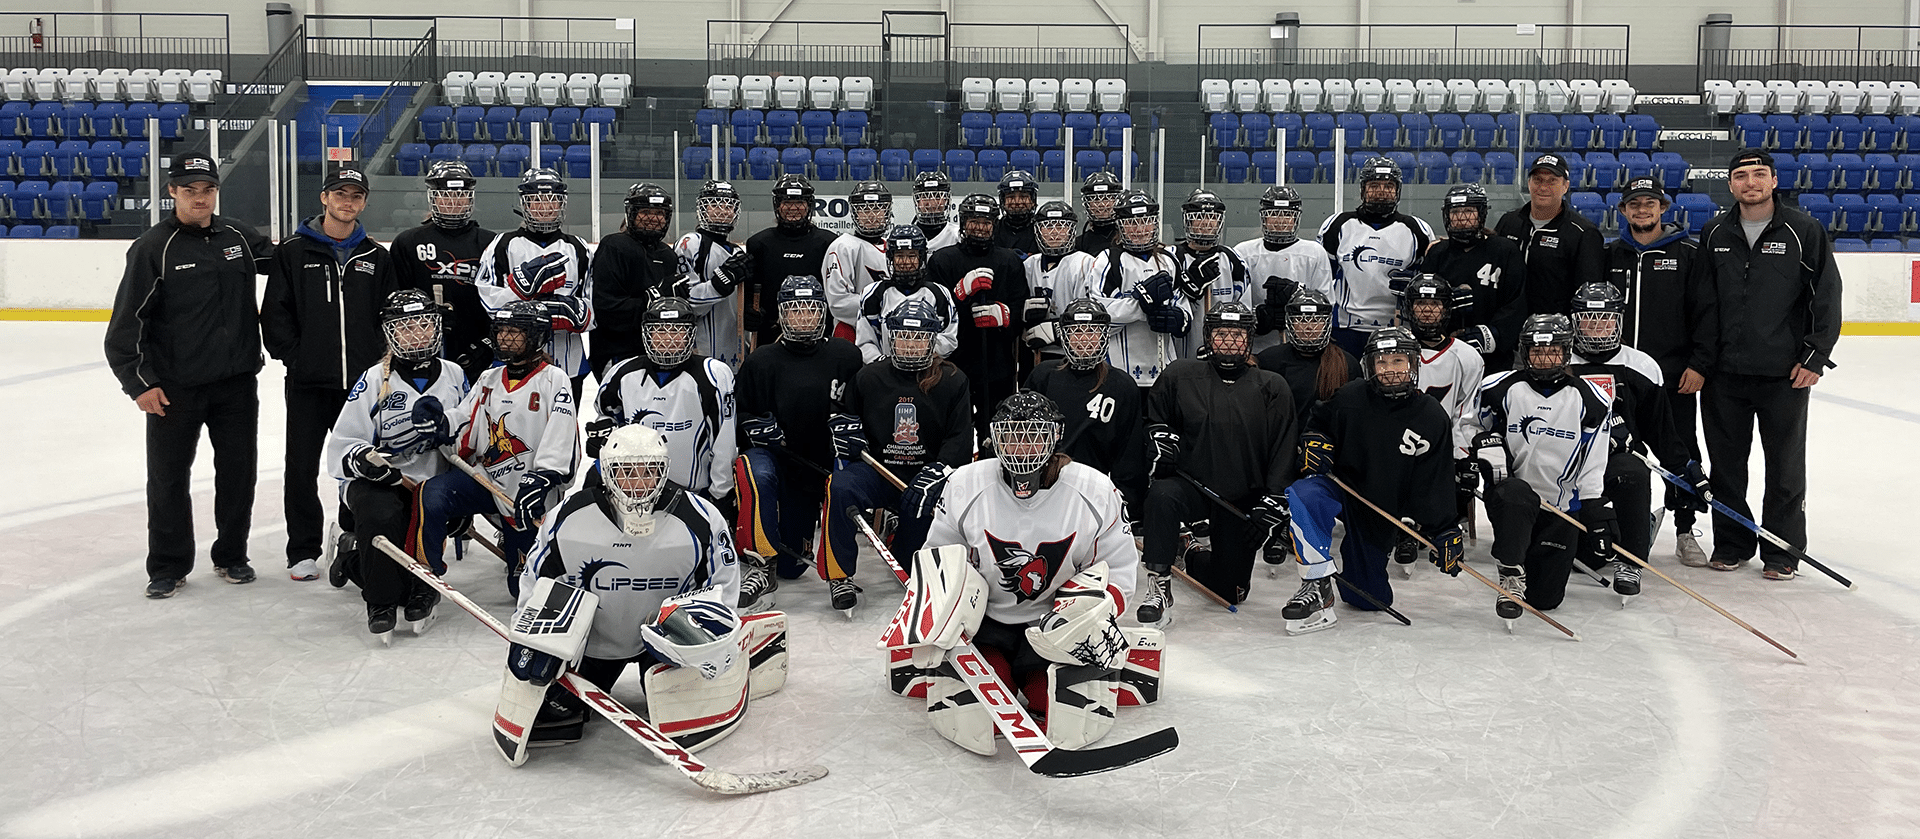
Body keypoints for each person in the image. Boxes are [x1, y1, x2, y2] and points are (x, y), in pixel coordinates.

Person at [905, 391, 1142, 754]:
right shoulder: (964, 484)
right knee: (978, 715)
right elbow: (939, 558)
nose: (1022, 448)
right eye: (1011, 436)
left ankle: (1038, 675)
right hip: (985, 625)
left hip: (1054, 630)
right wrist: (940, 615)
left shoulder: (1095, 489)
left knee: (1059, 712)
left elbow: (1119, 569)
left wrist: (1091, 617)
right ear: (994, 437)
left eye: (1034, 436)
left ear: (1055, 436)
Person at [509, 424, 756, 750]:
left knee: (677, 712)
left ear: (664, 472)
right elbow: (536, 580)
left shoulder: (702, 518)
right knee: (556, 709)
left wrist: (706, 642)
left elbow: (723, 586)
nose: (638, 484)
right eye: (626, 472)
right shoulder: (568, 517)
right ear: (607, 473)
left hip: (668, 645)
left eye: (649, 472)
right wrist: (532, 636)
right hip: (594, 643)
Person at [105, 153, 274, 599]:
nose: (200, 198)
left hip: (237, 383)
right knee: (168, 478)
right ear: (172, 192)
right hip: (174, 389)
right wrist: (139, 384)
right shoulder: (152, 248)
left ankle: (232, 555)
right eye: (190, 190)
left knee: (238, 473)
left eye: (208, 189)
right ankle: (167, 565)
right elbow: (126, 325)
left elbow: (286, 261)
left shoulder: (238, 235)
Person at [1691, 149, 1842, 580]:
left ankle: (1782, 551)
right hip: (1724, 375)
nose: (1750, 182)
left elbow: (1826, 296)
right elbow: (1703, 303)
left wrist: (1814, 357)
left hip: (1784, 374)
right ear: (1731, 185)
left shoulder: (1803, 230)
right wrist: (1702, 361)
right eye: (1741, 175)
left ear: (1774, 181)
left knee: (1785, 469)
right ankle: (1732, 543)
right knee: (1726, 467)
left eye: (1759, 174)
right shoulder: (1715, 232)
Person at [262, 167, 397, 582]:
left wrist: (378, 363)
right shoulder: (293, 251)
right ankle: (302, 549)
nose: (348, 202)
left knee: (359, 464)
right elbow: (275, 313)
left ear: (364, 202)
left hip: (362, 385)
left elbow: (387, 317)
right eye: (340, 194)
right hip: (308, 382)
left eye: (356, 195)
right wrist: (297, 358)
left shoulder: (376, 257)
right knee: (301, 466)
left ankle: (351, 535)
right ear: (324, 198)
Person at [1282, 327, 1460, 634]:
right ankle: (1315, 584)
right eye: (1382, 362)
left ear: (1413, 364)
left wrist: (1443, 529)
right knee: (1305, 494)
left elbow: (1436, 479)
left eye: (1397, 361)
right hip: (1339, 487)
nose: (1390, 369)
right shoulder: (1349, 396)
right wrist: (1314, 441)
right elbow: (1318, 425)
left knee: (1367, 598)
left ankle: (1357, 579)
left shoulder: (1432, 417)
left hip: (1380, 507)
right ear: (1370, 366)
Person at [325, 290, 468, 638]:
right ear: (391, 334)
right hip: (382, 483)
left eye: (423, 325)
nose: (416, 334)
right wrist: (364, 460)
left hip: (431, 484)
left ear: (436, 328)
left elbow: (471, 432)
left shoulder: (454, 375)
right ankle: (380, 602)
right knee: (381, 515)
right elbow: (344, 442)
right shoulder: (374, 379)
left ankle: (420, 585)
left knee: (429, 512)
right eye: (405, 328)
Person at [1140, 303, 1295, 622]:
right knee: (1162, 495)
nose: (1229, 342)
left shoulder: (1272, 386)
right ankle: (1159, 583)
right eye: (1221, 334)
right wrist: (1159, 441)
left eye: (1237, 335)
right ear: (1208, 337)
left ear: (1249, 339)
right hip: (1192, 487)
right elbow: (1154, 420)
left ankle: (1189, 551)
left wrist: (1273, 500)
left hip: (1240, 497)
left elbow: (1284, 447)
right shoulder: (1180, 375)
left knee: (1230, 591)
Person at [817, 300, 974, 616]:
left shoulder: (953, 379)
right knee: (840, 486)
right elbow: (844, 417)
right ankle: (839, 575)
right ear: (891, 337)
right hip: (877, 472)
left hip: (924, 481)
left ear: (931, 340)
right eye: (903, 337)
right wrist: (846, 434)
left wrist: (938, 472)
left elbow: (960, 437)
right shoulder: (869, 377)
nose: (910, 345)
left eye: (918, 338)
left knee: (908, 562)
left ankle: (896, 534)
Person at [415, 300, 581, 595]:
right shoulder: (488, 378)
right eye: (501, 331)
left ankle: (523, 549)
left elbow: (563, 434)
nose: (505, 338)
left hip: (528, 495)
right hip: (485, 480)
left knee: (523, 590)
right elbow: (464, 419)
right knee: (433, 493)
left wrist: (544, 476)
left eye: (514, 332)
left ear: (536, 336)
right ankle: (427, 579)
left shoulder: (554, 380)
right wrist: (440, 422)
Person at [1466, 314, 1614, 619]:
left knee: (1545, 600)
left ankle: (1528, 568)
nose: (1544, 359)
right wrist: (1482, 444)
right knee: (1515, 494)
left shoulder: (1592, 399)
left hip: (1561, 509)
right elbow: (1469, 427)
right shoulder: (1498, 387)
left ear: (1566, 352)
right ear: (1525, 352)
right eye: (1537, 351)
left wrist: (1593, 507)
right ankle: (1510, 572)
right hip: (1510, 498)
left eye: (1552, 351)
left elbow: (1594, 459)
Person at [1567, 282, 1709, 597]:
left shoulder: (1640, 365)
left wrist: (1684, 469)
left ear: (1619, 321)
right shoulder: (1560, 361)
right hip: (1568, 460)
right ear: (1575, 321)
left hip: (1618, 460)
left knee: (1633, 471)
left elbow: (1661, 431)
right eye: (1589, 319)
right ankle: (1633, 526)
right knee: (1584, 559)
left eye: (1606, 320)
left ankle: (1631, 559)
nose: (1598, 328)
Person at [734, 276, 867, 606]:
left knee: (792, 568)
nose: (803, 317)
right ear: (782, 314)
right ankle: (761, 564)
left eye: (810, 310)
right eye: (795, 310)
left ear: (822, 312)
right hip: (779, 464)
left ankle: (839, 573)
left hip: (824, 463)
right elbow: (739, 419)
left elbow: (864, 407)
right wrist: (751, 427)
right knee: (751, 465)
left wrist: (854, 428)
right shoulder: (760, 361)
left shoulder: (846, 355)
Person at [1605, 177, 1712, 566]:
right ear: (1623, 210)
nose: (1642, 210)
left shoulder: (1688, 253)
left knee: (1679, 451)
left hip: (1672, 377)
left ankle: (1685, 529)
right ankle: (1613, 527)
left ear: (1663, 208)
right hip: (1617, 378)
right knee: (1613, 453)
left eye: (1649, 203)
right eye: (1634, 204)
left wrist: (1699, 364)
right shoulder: (1611, 254)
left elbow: (1706, 313)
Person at [592, 297, 738, 510]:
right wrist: (604, 435)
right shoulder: (622, 374)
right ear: (647, 334)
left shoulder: (713, 375)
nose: (668, 338)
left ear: (690, 334)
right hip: (633, 492)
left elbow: (724, 442)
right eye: (659, 330)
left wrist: (721, 494)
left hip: (692, 496)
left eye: (677, 331)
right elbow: (606, 418)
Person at [476, 168, 594, 398]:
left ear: (562, 205)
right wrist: (519, 291)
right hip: (513, 358)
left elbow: (595, 304)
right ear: (525, 204)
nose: (545, 207)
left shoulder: (579, 248)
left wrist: (576, 313)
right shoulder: (502, 244)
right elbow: (488, 301)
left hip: (569, 360)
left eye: (552, 201)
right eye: (536, 201)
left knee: (564, 420)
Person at [1023, 298, 1147, 515]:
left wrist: (1124, 503)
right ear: (1065, 336)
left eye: (1092, 331)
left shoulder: (1122, 386)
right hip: (1044, 487)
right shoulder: (1043, 376)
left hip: (1096, 491)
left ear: (1104, 336)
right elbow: (1022, 436)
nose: (1085, 339)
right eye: (1077, 331)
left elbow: (1130, 455)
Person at [1395, 276, 1485, 568]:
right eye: (1421, 303)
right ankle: (1402, 526)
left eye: (1435, 304)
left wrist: (1462, 455)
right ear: (1409, 308)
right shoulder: (1391, 351)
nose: (1427, 310)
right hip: (1395, 444)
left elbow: (1467, 415)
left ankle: (1433, 526)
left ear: (1447, 309)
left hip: (1442, 449)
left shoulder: (1468, 357)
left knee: (1458, 474)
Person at [927, 193, 1030, 446]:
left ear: (994, 224)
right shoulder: (942, 260)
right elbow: (932, 311)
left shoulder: (1009, 261)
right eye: (974, 221)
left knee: (996, 433)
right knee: (952, 431)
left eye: (986, 222)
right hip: (953, 363)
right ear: (963, 223)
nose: (980, 227)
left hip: (997, 364)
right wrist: (959, 294)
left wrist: (1005, 316)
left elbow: (1021, 306)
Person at [390, 161, 499, 384]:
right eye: (445, 195)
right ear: (433, 197)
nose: (453, 201)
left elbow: (501, 302)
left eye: (460, 195)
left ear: (470, 198)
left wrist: (486, 345)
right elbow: (395, 300)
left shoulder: (491, 243)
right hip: (421, 347)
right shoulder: (408, 243)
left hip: (477, 349)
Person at [1318, 156, 1433, 355]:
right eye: (1374, 185)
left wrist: (1414, 283)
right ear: (1363, 189)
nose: (1381, 191)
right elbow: (1321, 280)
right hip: (1344, 329)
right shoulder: (1337, 225)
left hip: (1397, 329)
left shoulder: (1418, 230)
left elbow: (1429, 283)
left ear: (1398, 191)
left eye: (1389, 186)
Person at [1088, 191, 1191, 391]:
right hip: (1117, 371)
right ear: (1120, 225)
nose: (1140, 229)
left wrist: (1177, 318)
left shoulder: (1169, 260)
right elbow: (1099, 320)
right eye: (1131, 223)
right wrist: (1141, 305)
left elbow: (1183, 308)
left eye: (1146, 221)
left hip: (1163, 370)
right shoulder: (1107, 261)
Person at [1422, 183, 1528, 370]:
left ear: (1481, 214)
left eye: (1469, 211)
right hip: (1444, 351)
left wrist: (1491, 335)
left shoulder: (1505, 251)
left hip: (1494, 358)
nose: (1461, 218)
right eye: (1455, 212)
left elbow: (1516, 301)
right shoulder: (1437, 253)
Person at [590, 183, 686, 378]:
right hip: (618, 352)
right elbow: (606, 310)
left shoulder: (668, 255)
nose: (653, 218)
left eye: (659, 213)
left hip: (659, 354)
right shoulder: (615, 246)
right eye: (645, 212)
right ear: (631, 214)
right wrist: (654, 299)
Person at [1493, 153, 1604, 318]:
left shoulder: (1583, 233)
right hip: (1508, 325)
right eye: (1537, 180)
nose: (1543, 187)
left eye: (1552, 181)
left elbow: (1587, 294)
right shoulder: (1508, 222)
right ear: (1529, 183)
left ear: (1565, 186)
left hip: (1554, 330)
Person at [1236, 185, 1333, 354]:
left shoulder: (1314, 252)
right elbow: (1237, 303)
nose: (1280, 221)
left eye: (1287, 214)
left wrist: (1298, 296)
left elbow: (1326, 303)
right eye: (1274, 214)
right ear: (1264, 217)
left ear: (1296, 218)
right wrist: (1258, 318)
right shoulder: (1243, 252)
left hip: (1302, 346)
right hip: (1255, 347)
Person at [744, 174, 838, 348]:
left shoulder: (829, 243)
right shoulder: (758, 244)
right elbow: (749, 289)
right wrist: (749, 309)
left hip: (818, 335)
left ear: (809, 205)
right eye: (787, 202)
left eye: (800, 202)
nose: (793, 208)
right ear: (777, 205)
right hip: (770, 336)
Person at [1254, 288, 1362, 434]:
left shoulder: (1348, 364)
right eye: (1302, 320)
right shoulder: (1268, 360)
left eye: (1316, 320)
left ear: (1327, 323)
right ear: (1290, 323)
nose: (1309, 327)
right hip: (1283, 441)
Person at [674, 179, 753, 368]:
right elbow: (686, 304)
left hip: (735, 352)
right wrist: (720, 283)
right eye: (715, 205)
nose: (723, 211)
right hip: (700, 352)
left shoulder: (737, 252)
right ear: (702, 209)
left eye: (729, 206)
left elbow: (738, 305)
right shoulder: (690, 244)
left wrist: (749, 315)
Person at [855, 225, 958, 364]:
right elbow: (865, 342)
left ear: (921, 258)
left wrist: (918, 355)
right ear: (891, 258)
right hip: (886, 370)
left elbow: (949, 339)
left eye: (912, 256)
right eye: (899, 256)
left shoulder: (939, 294)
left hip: (927, 369)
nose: (905, 262)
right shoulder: (872, 294)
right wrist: (884, 365)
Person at [1171, 188, 1255, 357]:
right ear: (1188, 221)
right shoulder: (1171, 258)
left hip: (1224, 352)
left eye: (1212, 217)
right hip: (1181, 353)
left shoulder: (1233, 259)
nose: (1206, 223)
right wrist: (1188, 291)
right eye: (1199, 217)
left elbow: (1243, 311)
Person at [1018, 201, 1097, 361]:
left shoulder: (1085, 263)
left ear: (1071, 230)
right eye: (1048, 227)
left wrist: (1057, 330)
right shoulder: (1029, 264)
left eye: (1061, 226)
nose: (1054, 233)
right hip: (1035, 352)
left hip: (1074, 353)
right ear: (1038, 231)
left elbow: (1091, 313)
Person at [824, 180, 897, 340]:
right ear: (855, 213)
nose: (872, 215)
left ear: (887, 212)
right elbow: (838, 303)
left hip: (889, 333)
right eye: (864, 209)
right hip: (852, 333)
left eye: (877, 208)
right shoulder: (843, 246)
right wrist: (888, 305)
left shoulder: (894, 247)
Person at [1073, 171, 1124, 256]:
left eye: (1106, 198)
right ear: (1088, 204)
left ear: (1116, 201)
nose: (1101, 204)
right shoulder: (1079, 244)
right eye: (1095, 199)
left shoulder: (1129, 238)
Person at [993, 170, 1041, 256]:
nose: (1017, 202)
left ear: (1033, 200)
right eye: (1011, 197)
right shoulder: (993, 229)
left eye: (1023, 197)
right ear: (1003, 201)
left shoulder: (1042, 230)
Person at [910, 170, 961, 250]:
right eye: (925, 196)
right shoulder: (907, 236)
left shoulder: (957, 235)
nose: (932, 203)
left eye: (937, 196)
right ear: (917, 202)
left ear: (946, 200)